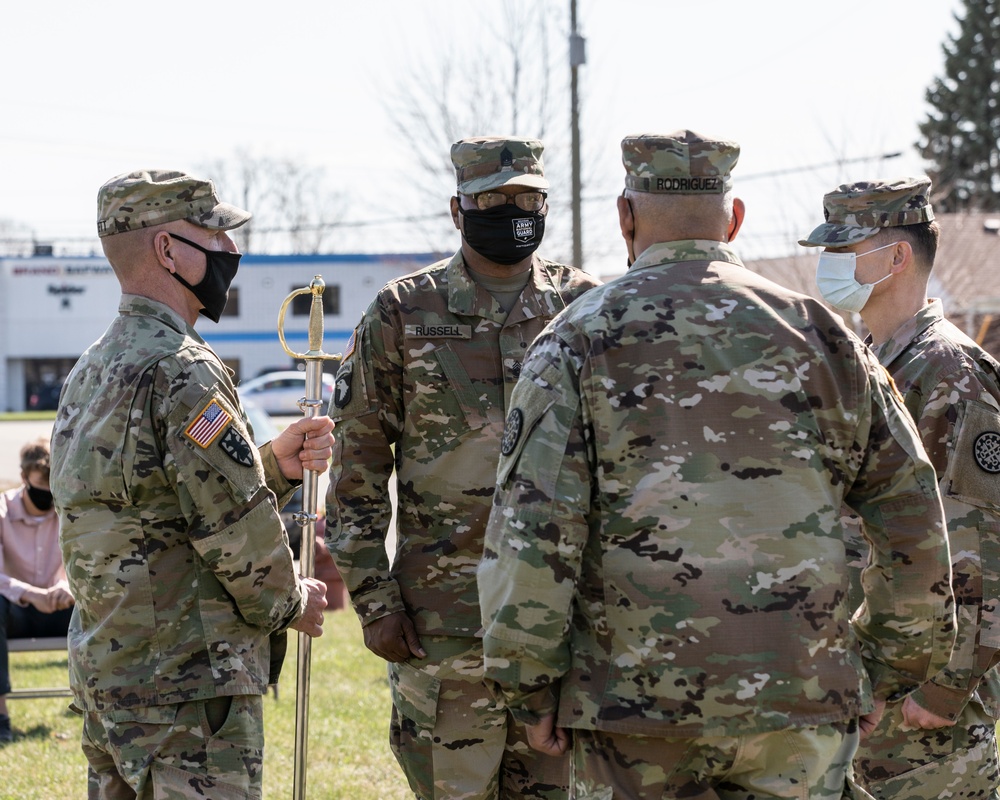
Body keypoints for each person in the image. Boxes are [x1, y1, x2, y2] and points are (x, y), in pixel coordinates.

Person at [477, 131, 958, 800]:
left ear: (625, 218)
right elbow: (913, 520)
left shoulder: (574, 341)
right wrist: (883, 665)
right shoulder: (828, 339)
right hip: (801, 700)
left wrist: (527, 685)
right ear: (733, 219)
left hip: (634, 712)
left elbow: (531, 535)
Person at [325, 136, 601, 799]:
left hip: (563, 622)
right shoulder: (403, 312)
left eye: (527, 198)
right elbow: (357, 469)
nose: (512, 211)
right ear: (458, 209)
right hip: (442, 628)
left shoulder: (586, 308)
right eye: (492, 200)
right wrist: (373, 601)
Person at [50, 169, 332, 799]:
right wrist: (291, 601)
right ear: (168, 251)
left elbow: (150, 504)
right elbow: (234, 528)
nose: (230, 253)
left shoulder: (92, 369)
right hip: (188, 689)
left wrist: (273, 467)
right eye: (216, 237)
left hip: (112, 678)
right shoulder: (184, 370)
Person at [801, 177, 1000, 798]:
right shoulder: (870, 361)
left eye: (845, 249)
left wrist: (947, 688)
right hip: (870, 682)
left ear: (896, 257)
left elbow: (981, 542)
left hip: (925, 707)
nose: (828, 265)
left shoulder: (949, 372)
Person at [0, 437, 73, 744]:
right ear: (24, 477)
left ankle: (101, 709)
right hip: (15, 611)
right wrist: (31, 594)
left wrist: (69, 587)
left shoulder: (71, 510)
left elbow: (91, 562)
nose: (48, 493)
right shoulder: (3, 510)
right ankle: (1, 716)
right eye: (42, 484)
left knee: (107, 600)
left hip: (63, 605)